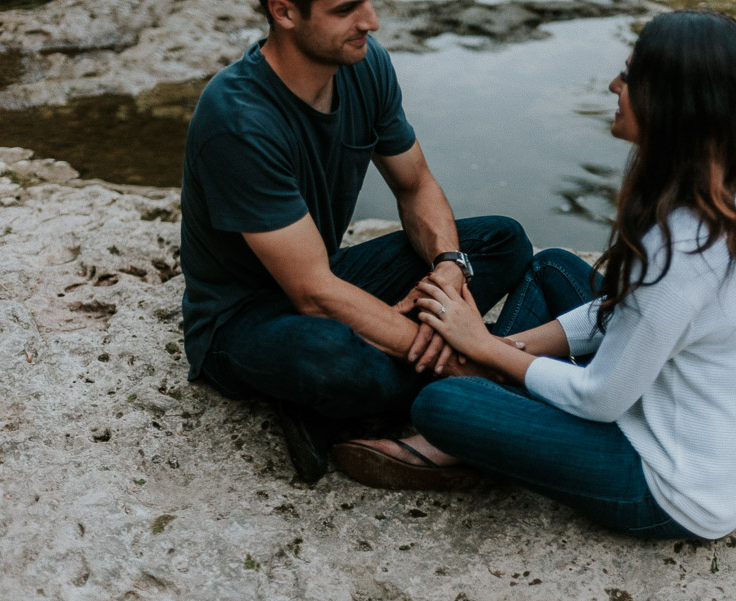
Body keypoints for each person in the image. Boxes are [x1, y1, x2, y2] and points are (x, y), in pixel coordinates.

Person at [333, 9, 736, 540]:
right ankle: (497, 400)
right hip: (664, 412)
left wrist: (486, 350)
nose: (613, 84)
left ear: (669, 104)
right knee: (551, 267)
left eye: (629, 77)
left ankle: (475, 427)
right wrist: (511, 349)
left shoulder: (685, 252)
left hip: (670, 486)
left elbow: (601, 399)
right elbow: (625, 312)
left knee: (441, 404)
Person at [179, 0, 532, 484]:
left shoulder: (365, 63)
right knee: (336, 359)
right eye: (346, 9)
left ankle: (339, 403)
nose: (370, 22)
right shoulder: (237, 118)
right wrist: (462, 360)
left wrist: (448, 270)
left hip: (325, 274)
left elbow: (415, 185)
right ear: (284, 12)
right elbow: (313, 293)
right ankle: (345, 389)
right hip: (242, 319)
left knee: (502, 240)